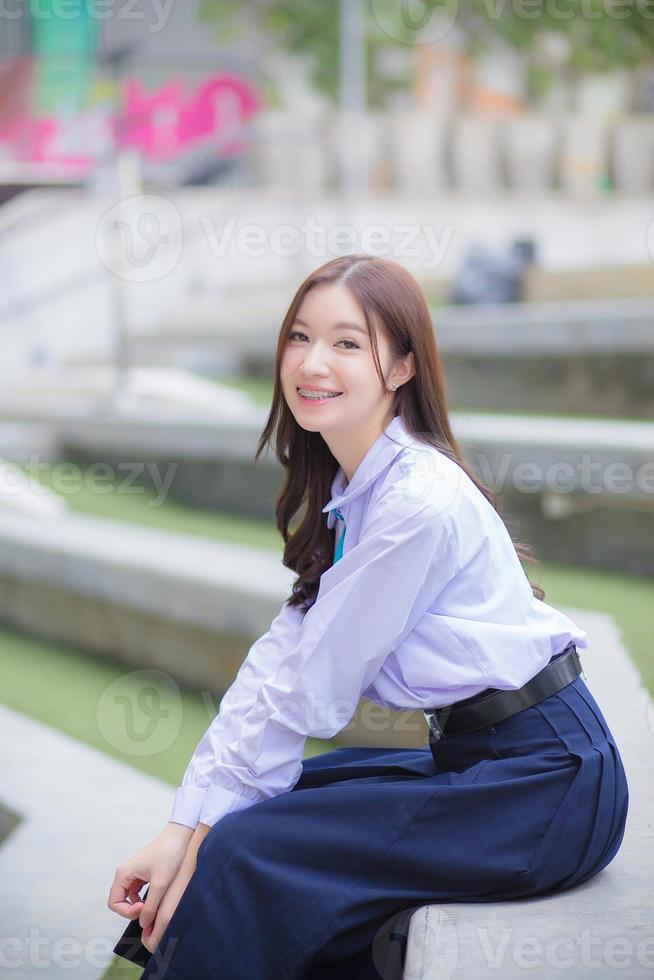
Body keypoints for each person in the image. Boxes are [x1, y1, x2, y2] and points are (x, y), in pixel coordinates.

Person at [108, 254, 629, 979]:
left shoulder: (414, 502)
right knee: (280, 805)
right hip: (488, 764)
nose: (312, 362)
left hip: (545, 788)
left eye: (347, 343)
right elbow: (282, 655)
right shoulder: (357, 489)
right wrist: (181, 825)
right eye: (299, 336)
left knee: (241, 850)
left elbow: (310, 688)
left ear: (403, 366)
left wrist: (197, 846)